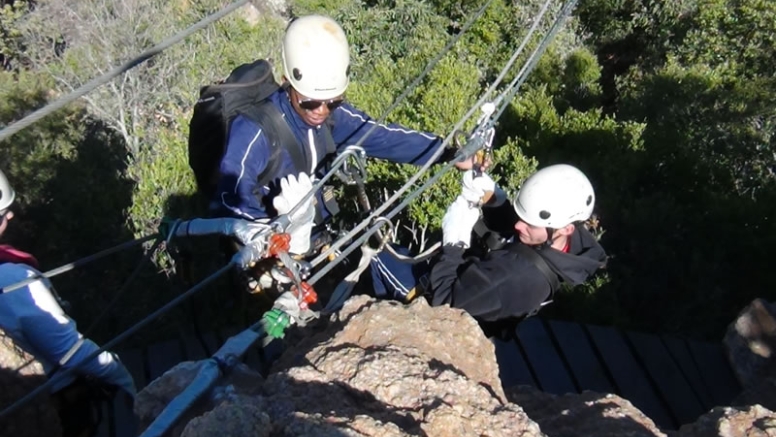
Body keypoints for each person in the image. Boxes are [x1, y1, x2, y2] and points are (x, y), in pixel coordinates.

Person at [211, 14, 474, 256]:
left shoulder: (333, 117)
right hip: (266, 243)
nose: (321, 112)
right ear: (287, 82)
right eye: (311, 103)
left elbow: (383, 137)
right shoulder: (255, 130)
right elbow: (233, 192)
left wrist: (447, 153)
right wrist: (267, 240)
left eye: (333, 102)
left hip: (312, 233)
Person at [370, 164, 607, 328]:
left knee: (375, 250)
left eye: (529, 224)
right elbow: (516, 238)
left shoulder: (518, 276)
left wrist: (454, 242)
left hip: (444, 297)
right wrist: (495, 199)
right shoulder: (567, 245)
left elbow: (443, 306)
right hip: (477, 286)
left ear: (565, 228)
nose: (519, 226)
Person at [0, 170, 136, 436]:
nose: (11, 215)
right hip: (53, 399)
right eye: (3, 213)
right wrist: (125, 379)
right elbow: (69, 351)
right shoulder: (14, 280)